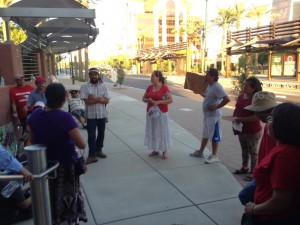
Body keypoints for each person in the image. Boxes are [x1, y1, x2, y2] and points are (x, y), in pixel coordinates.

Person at [28, 83, 88, 224]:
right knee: (68, 198)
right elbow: (82, 144)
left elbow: (33, 140)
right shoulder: (64, 117)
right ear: (63, 98)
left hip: (44, 164)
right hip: (65, 166)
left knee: (49, 197)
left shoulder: (35, 115)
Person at [244, 102, 300, 225]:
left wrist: (253, 209)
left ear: (281, 126)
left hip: (274, 219)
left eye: (270, 118)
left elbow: (280, 202)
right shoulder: (283, 146)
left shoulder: (285, 155)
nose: (267, 122)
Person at [238, 91, 279, 205]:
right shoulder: (269, 124)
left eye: (256, 110)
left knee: (244, 196)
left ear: (262, 111)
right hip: (264, 172)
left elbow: (273, 155)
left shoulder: (273, 128)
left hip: (268, 175)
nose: (255, 113)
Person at [190, 68, 230, 164]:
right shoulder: (209, 86)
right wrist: (199, 92)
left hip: (214, 116)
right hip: (207, 115)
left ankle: (214, 155)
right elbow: (207, 96)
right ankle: (201, 151)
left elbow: (227, 99)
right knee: (205, 134)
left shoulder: (217, 86)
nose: (206, 77)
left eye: (208, 75)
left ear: (213, 76)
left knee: (214, 136)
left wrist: (216, 107)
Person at [232, 77, 263, 181]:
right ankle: (245, 167)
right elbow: (237, 108)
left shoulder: (256, 99)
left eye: (247, 85)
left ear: (253, 88)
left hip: (253, 131)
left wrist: (241, 119)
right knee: (244, 149)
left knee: (253, 151)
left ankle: (253, 172)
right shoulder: (241, 96)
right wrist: (234, 121)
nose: (244, 87)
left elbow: (256, 116)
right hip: (241, 129)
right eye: (245, 84)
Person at [80, 67, 110, 164]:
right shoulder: (84, 86)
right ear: (89, 75)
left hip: (102, 114)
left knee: (101, 133)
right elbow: (87, 102)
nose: (94, 76)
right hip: (91, 115)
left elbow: (107, 100)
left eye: (95, 74)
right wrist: (99, 100)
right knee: (91, 135)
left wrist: (95, 98)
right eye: (92, 74)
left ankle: (99, 150)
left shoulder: (104, 86)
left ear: (98, 75)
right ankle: (92, 155)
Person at [142, 70, 173, 159]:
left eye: (153, 76)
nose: (151, 78)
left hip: (162, 113)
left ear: (158, 78)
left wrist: (157, 102)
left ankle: (164, 150)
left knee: (162, 131)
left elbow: (170, 100)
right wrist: (148, 100)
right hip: (151, 113)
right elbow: (143, 98)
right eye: (151, 76)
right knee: (154, 131)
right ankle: (155, 150)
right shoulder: (149, 88)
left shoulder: (164, 88)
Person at [0, 145, 33, 225]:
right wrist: (36, 194)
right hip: (10, 217)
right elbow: (24, 204)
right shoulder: (9, 181)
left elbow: (8, 193)